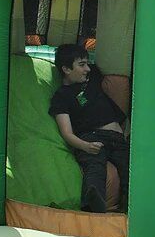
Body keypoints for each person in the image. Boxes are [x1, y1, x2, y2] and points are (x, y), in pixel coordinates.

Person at [49, 44, 129, 213]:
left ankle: (132, 206)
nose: (87, 69)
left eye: (87, 63)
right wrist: (84, 146)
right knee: (94, 166)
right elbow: (67, 133)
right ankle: (93, 206)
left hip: (118, 139)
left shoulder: (92, 79)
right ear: (66, 69)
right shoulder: (61, 97)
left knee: (130, 169)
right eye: (81, 65)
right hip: (91, 137)